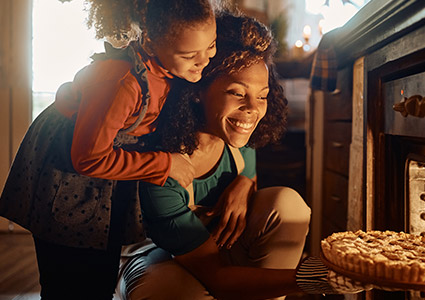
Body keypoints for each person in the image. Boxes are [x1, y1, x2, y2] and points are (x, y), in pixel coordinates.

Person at [118, 10, 371, 300]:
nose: (252, 109)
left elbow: (249, 173)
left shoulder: (237, 139)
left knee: (288, 205)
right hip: (157, 258)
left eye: (262, 95)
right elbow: (218, 279)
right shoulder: (164, 170)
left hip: (218, 249)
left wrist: (245, 183)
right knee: (169, 292)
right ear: (198, 91)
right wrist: (322, 278)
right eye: (237, 93)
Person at [0, 0, 216, 299]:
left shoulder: (171, 71)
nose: (203, 61)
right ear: (150, 42)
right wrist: (165, 164)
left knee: (99, 279)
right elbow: (88, 158)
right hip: (68, 184)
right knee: (72, 282)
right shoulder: (121, 82)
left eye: (211, 47)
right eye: (189, 54)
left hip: (106, 188)